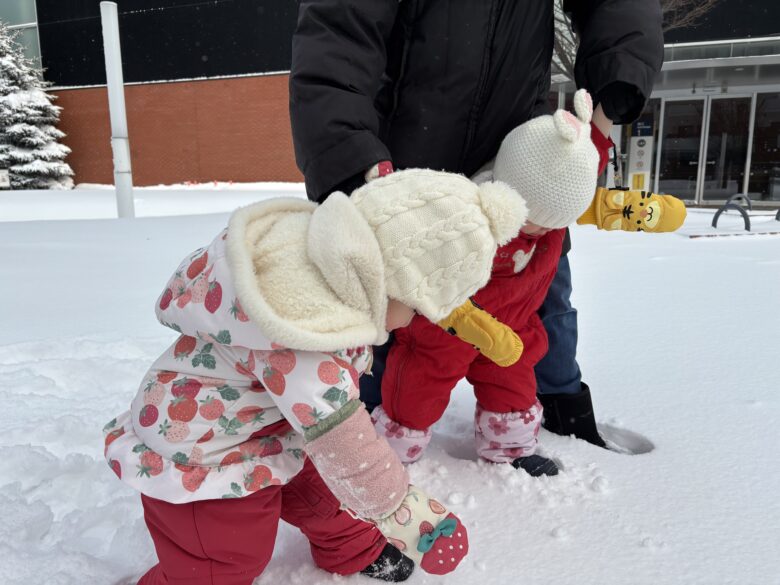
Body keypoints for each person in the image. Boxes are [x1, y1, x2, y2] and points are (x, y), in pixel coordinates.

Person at [103, 168, 531, 583]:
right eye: (417, 309)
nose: (411, 322)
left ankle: (351, 546)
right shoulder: (305, 333)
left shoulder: (325, 269)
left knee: (324, 488)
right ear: (388, 283)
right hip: (205, 448)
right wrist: (405, 511)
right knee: (227, 555)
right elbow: (345, 442)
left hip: (269, 423)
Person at [289, 0, 665, 447]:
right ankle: (370, 425)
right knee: (390, 318)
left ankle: (555, 409)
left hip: (519, 165)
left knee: (540, 302)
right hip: (407, 165)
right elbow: (340, 29)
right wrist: (347, 151)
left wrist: (619, 73)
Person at [371, 90, 599, 477]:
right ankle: (392, 452)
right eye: (537, 219)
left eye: (555, 224)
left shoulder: (552, 223)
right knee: (414, 390)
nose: (544, 231)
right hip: (444, 329)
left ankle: (509, 445)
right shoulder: (464, 216)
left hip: (511, 327)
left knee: (514, 388)